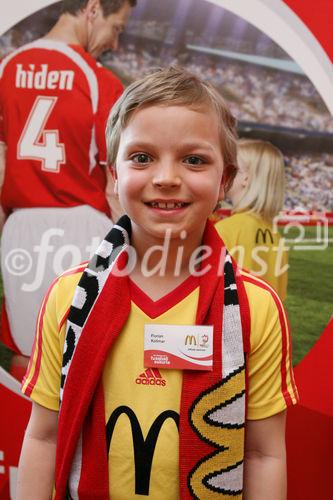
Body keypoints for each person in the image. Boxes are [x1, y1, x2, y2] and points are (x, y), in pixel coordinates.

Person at [18, 67, 298, 499]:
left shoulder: (255, 307)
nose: (166, 177)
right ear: (114, 175)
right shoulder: (69, 297)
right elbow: (43, 437)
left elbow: (263, 455)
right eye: (143, 157)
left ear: (224, 180)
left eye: (194, 159)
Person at [0, 0, 135, 366]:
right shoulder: (99, 80)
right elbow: (112, 187)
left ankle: (19, 425)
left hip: (20, 226)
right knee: (87, 360)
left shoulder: (6, 69)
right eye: (117, 28)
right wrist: (137, 251)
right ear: (93, 9)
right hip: (82, 225)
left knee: (26, 355)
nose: (115, 43)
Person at [215, 138, 289, 300]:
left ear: (246, 178)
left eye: (231, 167)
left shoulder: (226, 229)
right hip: (263, 322)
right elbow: (279, 299)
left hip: (232, 322)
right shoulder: (276, 237)